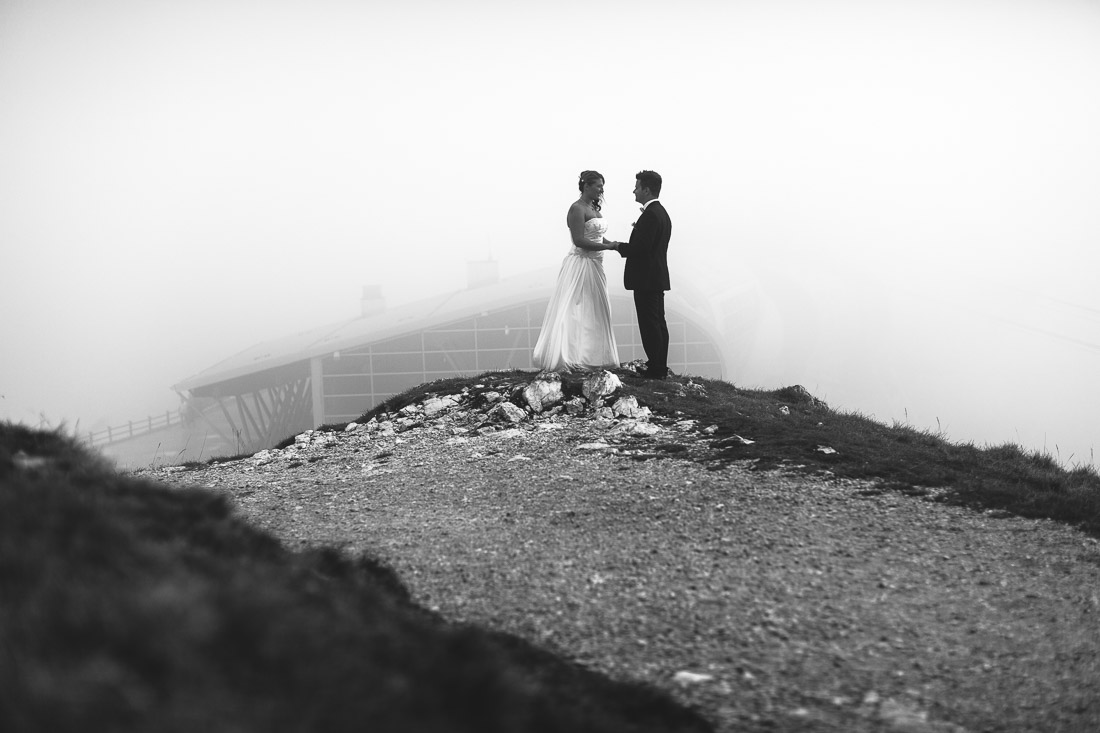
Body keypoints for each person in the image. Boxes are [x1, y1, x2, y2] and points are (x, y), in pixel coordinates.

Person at [532, 170, 620, 372]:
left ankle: (593, 355)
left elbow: (596, 236)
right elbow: (579, 240)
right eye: (598, 185)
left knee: (595, 308)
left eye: (602, 186)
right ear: (586, 186)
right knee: (575, 309)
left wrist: (612, 244)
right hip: (581, 263)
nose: (601, 189)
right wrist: (608, 247)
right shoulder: (577, 208)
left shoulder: (592, 208)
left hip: (596, 264)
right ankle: (571, 355)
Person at [606, 170, 671, 379]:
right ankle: (658, 365)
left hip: (647, 279)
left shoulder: (651, 215)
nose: (634, 190)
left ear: (646, 189)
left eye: (637, 186)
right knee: (658, 322)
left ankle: (656, 369)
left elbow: (641, 248)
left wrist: (616, 245)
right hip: (655, 277)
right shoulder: (661, 213)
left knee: (650, 324)